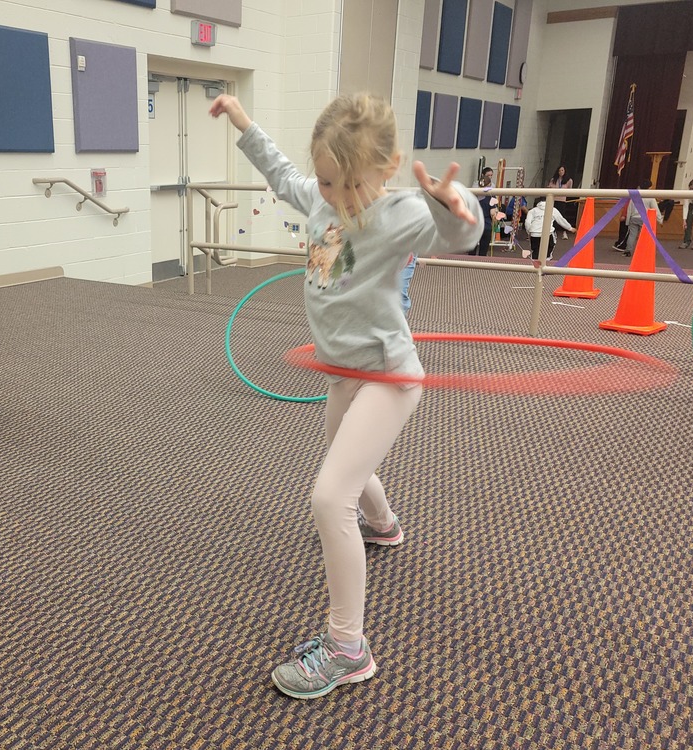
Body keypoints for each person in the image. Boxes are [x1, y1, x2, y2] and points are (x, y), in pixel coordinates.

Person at [208, 92, 481, 699]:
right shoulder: (320, 197)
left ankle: (347, 648)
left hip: (389, 374)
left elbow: (460, 235)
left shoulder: (400, 212)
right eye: (326, 181)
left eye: (344, 184)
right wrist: (243, 119)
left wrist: (457, 208)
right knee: (345, 466)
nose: (330, 194)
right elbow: (282, 175)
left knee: (330, 497)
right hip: (342, 374)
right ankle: (383, 526)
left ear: (383, 170)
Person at [624, 180, 660, 258]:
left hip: (633, 218)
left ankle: (628, 250)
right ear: (650, 187)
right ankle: (642, 252)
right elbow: (655, 209)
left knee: (632, 235)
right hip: (644, 219)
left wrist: (627, 221)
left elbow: (629, 208)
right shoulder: (650, 197)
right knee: (643, 236)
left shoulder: (635, 196)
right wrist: (659, 219)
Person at [470, 167, 498, 256]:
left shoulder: (472, 195)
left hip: (474, 223)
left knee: (472, 247)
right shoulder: (490, 196)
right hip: (485, 224)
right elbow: (493, 212)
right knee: (483, 248)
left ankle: (469, 264)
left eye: (491, 175)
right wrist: (496, 216)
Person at [547, 165, 576, 236]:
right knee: (552, 215)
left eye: (562, 170)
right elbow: (550, 187)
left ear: (565, 171)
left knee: (562, 215)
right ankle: (552, 231)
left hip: (562, 200)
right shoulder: (553, 179)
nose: (561, 172)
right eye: (559, 170)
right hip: (554, 199)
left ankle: (564, 231)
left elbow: (569, 190)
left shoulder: (569, 180)